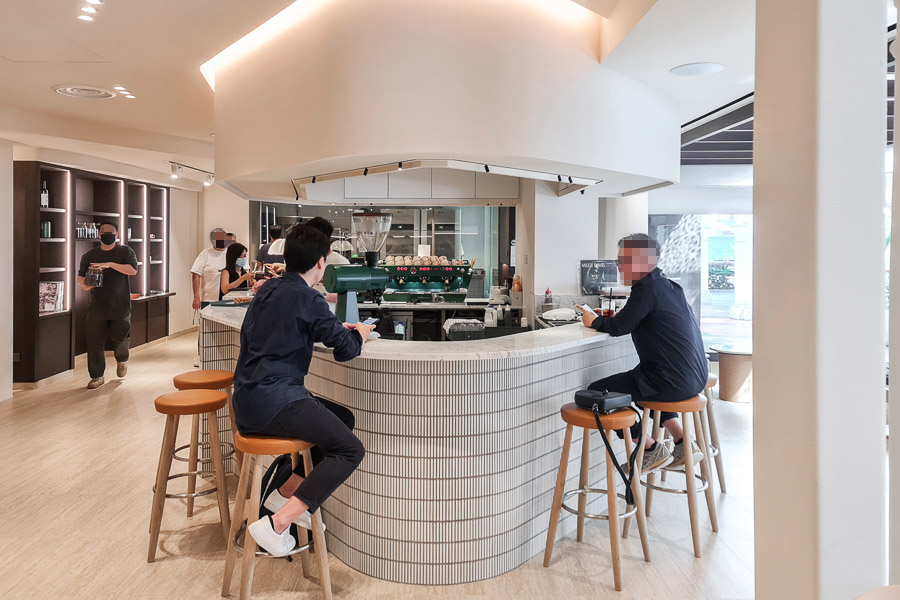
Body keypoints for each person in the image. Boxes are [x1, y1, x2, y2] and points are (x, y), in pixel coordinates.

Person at [233, 226, 375, 557]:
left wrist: (330, 327)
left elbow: (286, 329)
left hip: (247, 398)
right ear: (322, 264)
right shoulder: (309, 298)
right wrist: (362, 332)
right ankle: (279, 522)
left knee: (342, 417)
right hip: (275, 402)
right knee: (350, 449)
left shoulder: (268, 289)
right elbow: (346, 350)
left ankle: (286, 492)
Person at [581, 233, 708, 473]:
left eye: (622, 260)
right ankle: (682, 442)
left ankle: (648, 448)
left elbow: (619, 327)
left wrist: (592, 321)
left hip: (670, 382)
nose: (618, 266)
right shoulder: (669, 286)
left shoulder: (646, 289)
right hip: (694, 379)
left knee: (596, 391)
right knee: (642, 387)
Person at [76, 221, 138, 389]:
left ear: (117, 234)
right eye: (104, 232)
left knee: (120, 337)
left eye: (111, 232)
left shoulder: (125, 252)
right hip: (98, 305)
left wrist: (110, 264)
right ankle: (96, 376)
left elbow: (132, 270)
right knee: (94, 341)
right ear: (99, 235)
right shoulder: (89, 256)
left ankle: (122, 360)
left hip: (121, 305)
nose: (108, 235)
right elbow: (80, 278)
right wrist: (86, 284)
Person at [191, 228, 228, 367]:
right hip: (209, 298)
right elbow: (195, 274)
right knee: (205, 329)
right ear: (212, 240)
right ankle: (202, 357)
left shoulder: (231, 253)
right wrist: (196, 296)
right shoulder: (205, 254)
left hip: (228, 299)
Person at [304, 216, 350, 311]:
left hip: (331, 315)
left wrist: (319, 295)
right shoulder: (309, 259)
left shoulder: (340, 262)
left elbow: (347, 296)